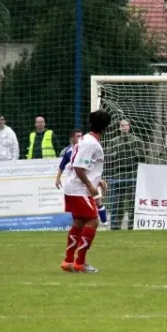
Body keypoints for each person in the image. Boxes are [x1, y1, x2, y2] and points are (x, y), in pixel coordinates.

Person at [61, 110, 112, 273]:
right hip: (79, 189)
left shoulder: (87, 140)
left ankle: (68, 261)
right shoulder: (91, 143)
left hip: (75, 187)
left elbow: (84, 165)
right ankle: (80, 262)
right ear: (106, 127)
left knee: (79, 222)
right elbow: (77, 167)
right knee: (93, 221)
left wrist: (98, 179)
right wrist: (91, 185)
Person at [56, 129, 108, 224]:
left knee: (98, 201)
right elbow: (62, 165)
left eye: (81, 135)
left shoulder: (86, 147)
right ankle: (83, 223)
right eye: (78, 136)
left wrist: (99, 179)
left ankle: (105, 224)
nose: (81, 138)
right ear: (72, 138)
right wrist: (58, 178)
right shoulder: (68, 151)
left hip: (89, 180)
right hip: (78, 183)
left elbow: (91, 167)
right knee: (81, 209)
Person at [108, 119, 144, 230]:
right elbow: (108, 157)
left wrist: (134, 153)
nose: (124, 127)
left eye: (126, 125)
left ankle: (132, 225)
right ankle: (115, 226)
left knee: (133, 202)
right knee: (117, 203)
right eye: (122, 125)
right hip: (118, 175)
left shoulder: (136, 140)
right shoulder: (113, 141)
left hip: (132, 174)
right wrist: (116, 154)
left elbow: (143, 156)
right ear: (119, 127)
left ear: (129, 127)